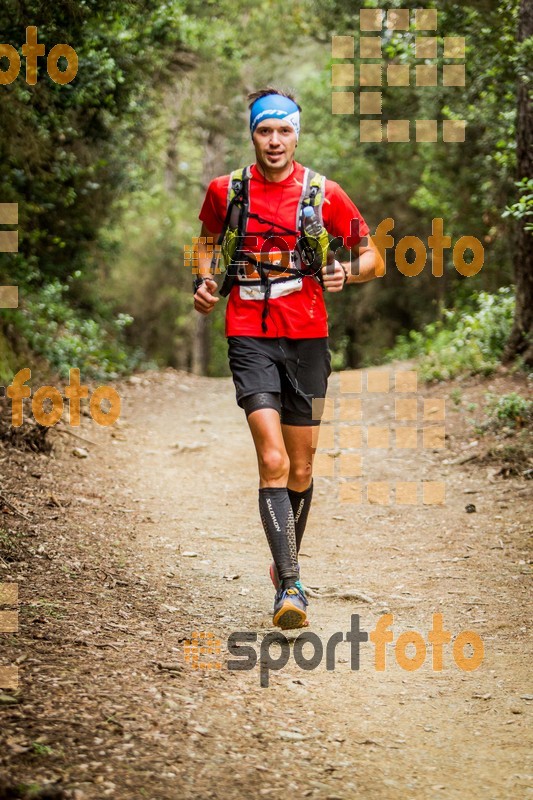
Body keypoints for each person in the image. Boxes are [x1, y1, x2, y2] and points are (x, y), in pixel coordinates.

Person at [193, 87, 383, 630]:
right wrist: (204, 279)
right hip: (248, 334)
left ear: (297, 134)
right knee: (273, 460)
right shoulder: (224, 190)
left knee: (301, 467)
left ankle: (282, 568)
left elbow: (372, 254)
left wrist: (350, 271)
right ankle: (294, 585)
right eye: (264, 131)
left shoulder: (324, 193)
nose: (274, 141)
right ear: (251, 134)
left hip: (307, 337)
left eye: (284, 131)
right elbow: (205, 243)